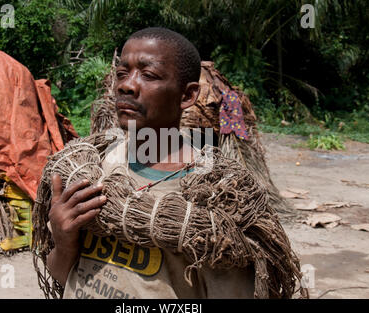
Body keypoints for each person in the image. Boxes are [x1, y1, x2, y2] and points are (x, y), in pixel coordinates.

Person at [46, 27, 255, 299]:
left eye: (149, 75)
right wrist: (63, 243)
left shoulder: (213, 198)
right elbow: (65, 278)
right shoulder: (94, 168)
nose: (127, 85)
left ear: (187, 95)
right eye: (122, 73)